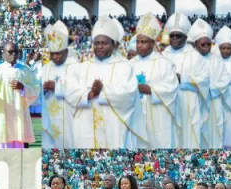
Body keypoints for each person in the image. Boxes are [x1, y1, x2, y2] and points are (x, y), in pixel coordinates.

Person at [65, 16, 145, 149]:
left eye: (104, 43)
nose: (100, 47)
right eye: (96, 43)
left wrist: (103, 91)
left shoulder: (124, 67)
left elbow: (129, 94)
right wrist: (88, 94)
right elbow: (70, 91)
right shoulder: (83, 67)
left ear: (113, 44)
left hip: (113, 126)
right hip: (86, 124)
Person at [130, 13, 179, 148]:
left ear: (152, 43)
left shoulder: (164, 64)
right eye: (138, 42)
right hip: (136, 114)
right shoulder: (130, 64)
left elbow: (172, 88)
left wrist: (151, 89)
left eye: (144, 42)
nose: (139, 45)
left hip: (158, 117)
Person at [163, 13, 210, 148]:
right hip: (168, 103)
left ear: (185, 37)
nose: (175, 38)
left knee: (188, 139)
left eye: (179, 36)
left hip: (188, 103)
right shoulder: (163, 54)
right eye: (172, 35)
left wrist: (182, 78)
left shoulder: (195, 56)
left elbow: (204, 80)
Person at [0, 42, 40, 148]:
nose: (14, 54)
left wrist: (23, 88)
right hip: (1, 115)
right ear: (3, 54)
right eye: (10, 52)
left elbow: (36, 89)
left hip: (18, 117)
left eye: (16, 52)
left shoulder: (25, 70)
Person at [36, 21, 78, 148]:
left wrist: (57, 87)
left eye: (58, 53)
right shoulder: (46, 68)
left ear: (66, 51)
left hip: (69, 117)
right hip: (49, 116)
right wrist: (42, 88)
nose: (55, 57)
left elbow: (80, 93)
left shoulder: (75, 66)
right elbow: (37, 90)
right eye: (52, 54)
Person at [189, 18, 230, 149]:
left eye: (208, 44)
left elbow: (224, 81)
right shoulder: (190, 60)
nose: (206, 47)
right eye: (203, 44)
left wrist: (208, 91)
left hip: (213, 103)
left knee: (213, 136)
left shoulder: (217, 60)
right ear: (195, 44)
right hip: (195, 102)